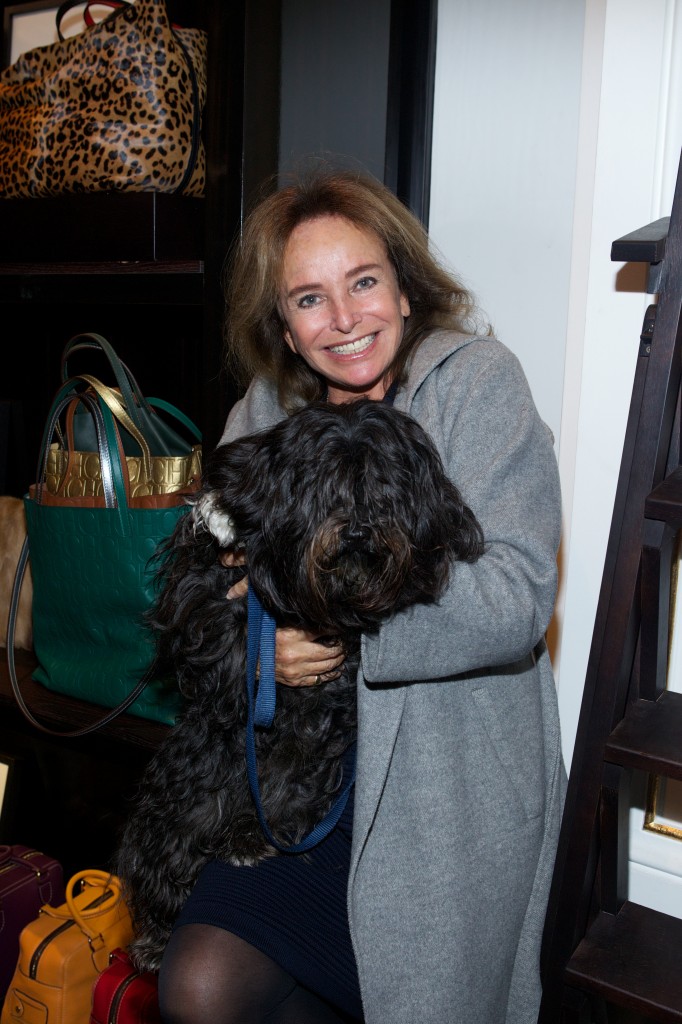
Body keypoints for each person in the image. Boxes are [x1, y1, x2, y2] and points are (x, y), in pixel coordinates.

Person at [156, 168, 566, 1024]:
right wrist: (259, 643)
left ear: (406, 291)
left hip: (441, 794)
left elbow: (518, 595)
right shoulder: (266, 409)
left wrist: (344, 629)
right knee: (200, 985)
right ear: (285, 325)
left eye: (364, 282)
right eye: (310, 298)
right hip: (296, 791)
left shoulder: (477, 384)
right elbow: (206, 577)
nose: (343, 318)